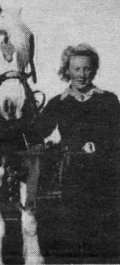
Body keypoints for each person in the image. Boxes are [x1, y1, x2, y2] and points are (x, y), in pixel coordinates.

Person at [34, 43, 120, 259]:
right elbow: (37, 132)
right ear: (67, 71)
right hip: (73, 175)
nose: (82, 74)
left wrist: (99, 145)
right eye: (76, 69)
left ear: (94, 69)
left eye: (87, 68)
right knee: (76, 230)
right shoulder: (57, 103)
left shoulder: (109, 100)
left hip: (106, 174)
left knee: (106, 235)